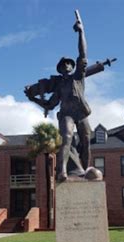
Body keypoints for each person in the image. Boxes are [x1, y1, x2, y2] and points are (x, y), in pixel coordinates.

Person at [25, 17, 91, 182]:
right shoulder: (59, 86)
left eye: (69, 64)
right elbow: (49, 104)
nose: (67, 66)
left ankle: (85, 170)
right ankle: (62, 170)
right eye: (64, 65)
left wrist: (81, 32)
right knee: (67, 137)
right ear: (60, 69)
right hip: (67, 113)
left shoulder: (78, 77)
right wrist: (33, 99)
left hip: (81, 113)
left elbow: (82, 54)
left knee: (86, 140)